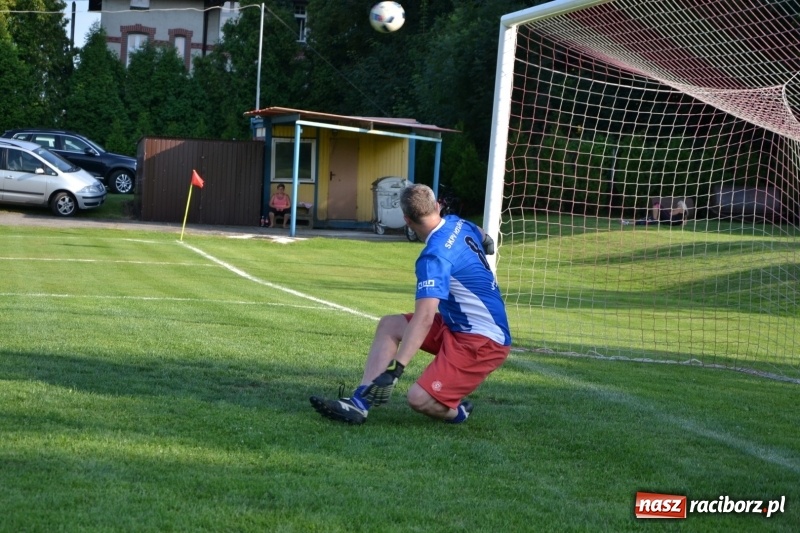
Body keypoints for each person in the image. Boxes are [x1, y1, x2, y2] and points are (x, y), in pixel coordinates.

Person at [310, 184, 512, 425]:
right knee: (390, 325)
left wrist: (397, 369)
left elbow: (425, 318)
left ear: (407, 220)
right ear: (437, 206)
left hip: (483, 341)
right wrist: (486, 243)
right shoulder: (457, 223)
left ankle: (459, 413)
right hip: (457, 325)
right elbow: (481, 235)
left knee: (418, 399)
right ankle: (359, 405)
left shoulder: (434, 257)